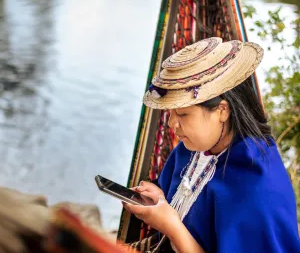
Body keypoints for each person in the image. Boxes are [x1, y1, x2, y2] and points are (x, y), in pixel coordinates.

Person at [123, 37, 300, 252]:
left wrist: (171, 226)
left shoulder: (256, 188)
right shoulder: (194, 149)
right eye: (170, 113)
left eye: (183, 114)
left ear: (222, 111)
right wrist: (161, 199)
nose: (172, 123)